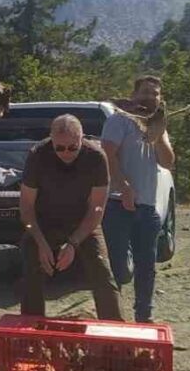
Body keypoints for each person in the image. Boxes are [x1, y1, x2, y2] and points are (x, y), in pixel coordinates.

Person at [20, 115, 122, 320]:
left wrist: (73, 243)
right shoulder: (37, 155)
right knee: (31, 269)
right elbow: (26, 207)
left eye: (72, 147)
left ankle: (114, 329)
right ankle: (31, 330)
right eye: (59, 148)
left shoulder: (96, 157)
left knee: (102, 271)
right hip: (43, 221)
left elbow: (96, 209)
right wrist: (40, 242)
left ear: (82, 140)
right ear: (51, 141)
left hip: (82, 221)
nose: (66, 153)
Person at [101, 75, 175, 323]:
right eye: (145, 92)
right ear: (134, 95)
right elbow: (107, 154)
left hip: (148, 207)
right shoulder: (119, 120)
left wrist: (159, 137)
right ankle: (114, 314)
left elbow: (168, 162)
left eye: (155, 94)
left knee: (147, 267)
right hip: (116, 204)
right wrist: (123, 187)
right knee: (119, 268)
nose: (150, 97)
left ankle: (144, 316)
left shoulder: (157, 124)